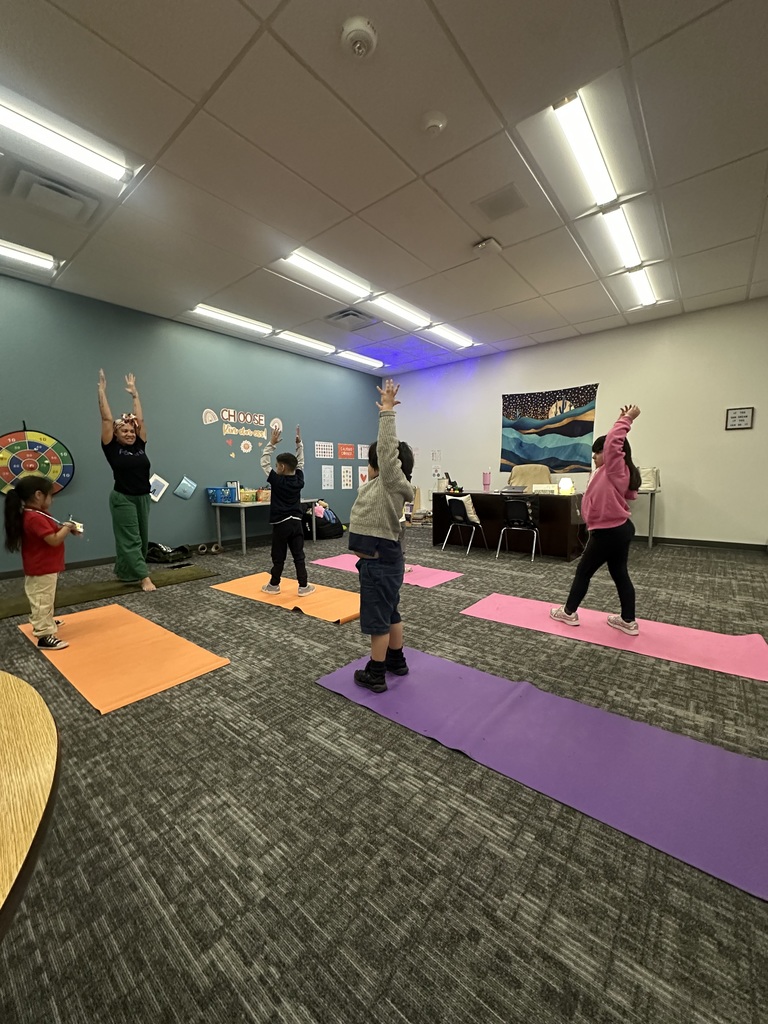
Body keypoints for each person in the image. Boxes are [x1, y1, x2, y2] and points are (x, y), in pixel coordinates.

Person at [551, 404, 642, 635]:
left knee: (583, 571)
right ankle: (628, 621)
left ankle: (568, 613)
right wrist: (619, 420)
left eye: (598, 453)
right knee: (619, 573)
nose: (594, 456)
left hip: (609, 531)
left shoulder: (615, 468)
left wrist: (627, 419)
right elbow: (613, 444)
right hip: (617, 529)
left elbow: (613, 444)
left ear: (613, 454)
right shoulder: (609, 471)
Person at [348, 379, 415, 693]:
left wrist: (387, 411)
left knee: (378, 621)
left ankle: (376, 673)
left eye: (370, 463)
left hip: (378, 564)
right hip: (384, 562)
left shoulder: (389, 481)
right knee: (391, 613)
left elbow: (388, 451)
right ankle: (396, 661)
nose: (369, 467)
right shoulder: (387, 487)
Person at [3, 475, 80, 650]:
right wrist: (67, 528)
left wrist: (65, 529)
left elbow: (50, 534)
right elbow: (53, 540)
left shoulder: (37, 514)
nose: (52, 499)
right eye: (50, 495)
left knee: (45, 597)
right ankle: (44, 635)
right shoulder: (34, 518)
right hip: (41, 567)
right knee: (42, 599)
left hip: (46, 566)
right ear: (39, 495)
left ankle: (45, 621)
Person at [98, 369, 156, 592]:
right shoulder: (111, 447)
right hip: (123, 498)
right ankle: (143, 577)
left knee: (141, 538)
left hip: (143, 497)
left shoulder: (140, 445)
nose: (130, 434)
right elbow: (106, 419)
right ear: (116, 434)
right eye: (125, 431)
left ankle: (125, 572)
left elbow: (140, 419)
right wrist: (102, 392)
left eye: (132, 431)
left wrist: (135, 395)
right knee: (131, 538)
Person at [260, 424, 315, 596]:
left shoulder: (277, 480)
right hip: (296, 523)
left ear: (282, 467)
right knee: (299, 555)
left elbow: (264, 462)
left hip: (281, 524)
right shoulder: (299, 480)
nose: (275, 468)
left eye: (277, 465)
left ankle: (274, 585)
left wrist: (271, 444)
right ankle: (303, 586)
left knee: (278, 556)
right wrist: (299, 445)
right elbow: (301, 463)